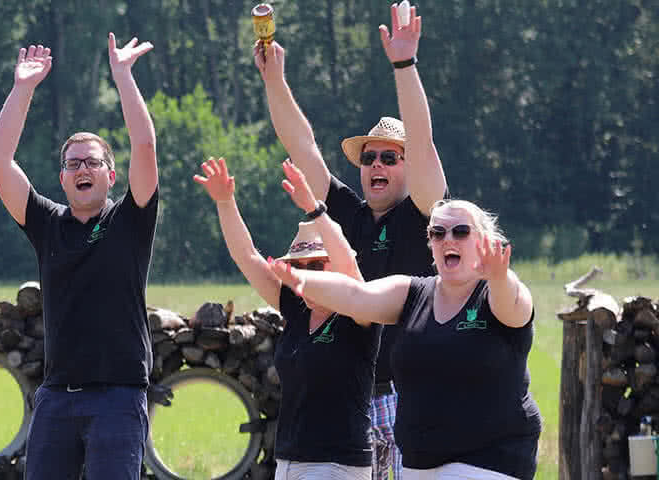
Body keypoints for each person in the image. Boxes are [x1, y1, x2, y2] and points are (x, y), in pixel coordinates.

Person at [255, 5, 451, 476]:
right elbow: (301, 146)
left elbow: (423, 145)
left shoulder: (425, 214)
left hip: (413, 396)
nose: (377, 166)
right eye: (369, 159)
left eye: (389, 157)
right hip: (351, 404)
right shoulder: (343, 214)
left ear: (407, 167)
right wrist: (274, 81)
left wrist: (405, 66)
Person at [0, 37, 160, 478]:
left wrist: (123, 78)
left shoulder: (131, 220)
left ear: (110, 175)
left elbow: (144, 147)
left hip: (119, 396)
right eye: (74, 163)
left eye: (93, 163)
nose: (83, 169)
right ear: (61, 178)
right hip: (57, 397)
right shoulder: (47, 223)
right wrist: (23, 88)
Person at [267, 199, 539, 480]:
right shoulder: (413, 293)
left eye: (460, 232)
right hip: (419, 466)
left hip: (489, 464)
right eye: (437, 233)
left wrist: (499, 277)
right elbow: (357, 297)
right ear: (430, 243)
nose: (448, 239)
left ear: (483, 240)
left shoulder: (497, 292)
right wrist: (299, 279)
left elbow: (512, 307)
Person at [196, 158, 381, 479]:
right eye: (299, 266)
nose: (305, 275)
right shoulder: (296, 309)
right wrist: (225, 202)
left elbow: (349, 268)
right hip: (290, 461)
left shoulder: (357, 313)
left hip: (338, 465)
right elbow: (247, 256)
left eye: (316, 265)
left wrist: (315, 208)